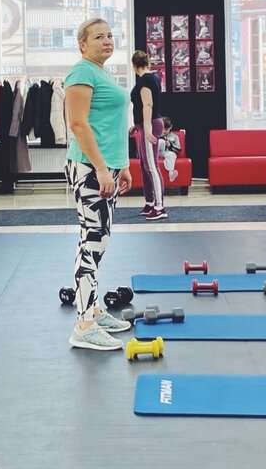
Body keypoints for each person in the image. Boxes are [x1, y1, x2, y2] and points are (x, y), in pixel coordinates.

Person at [64, 19, 133, 352]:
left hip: (107, 167)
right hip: (91, 168)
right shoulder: (82, 72)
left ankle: (92, 310)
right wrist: (103, 170)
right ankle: (84, 325)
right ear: (82, 44)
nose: (107, 41)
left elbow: (112, 124)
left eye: (109, 35)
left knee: (99, 242)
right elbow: (78, 124)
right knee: (92, 242)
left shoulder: (102, 72)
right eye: (98, 37)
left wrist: (123, 166)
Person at [129, 50, 167, 221]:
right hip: (145, 125)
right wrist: (136, 126)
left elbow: (148, 105)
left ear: (134, 65)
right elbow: (142, 106)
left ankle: (159, 207)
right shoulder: (152, 78)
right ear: (148, 63)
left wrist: (147, 128)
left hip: (150, 124)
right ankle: (150, 202)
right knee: (145, 166)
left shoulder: (146, 80)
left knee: (152, 166)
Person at [159, 116, 181, 183]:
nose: (164, 131)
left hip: (166, 153)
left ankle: (171, 174)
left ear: (170, 127)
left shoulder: (175, 137)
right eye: (162, 128)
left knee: (172, 155)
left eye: (166, 129)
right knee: (161, 142)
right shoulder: (156, 134)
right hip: (157, 152)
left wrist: (170, 145)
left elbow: (178, 150)